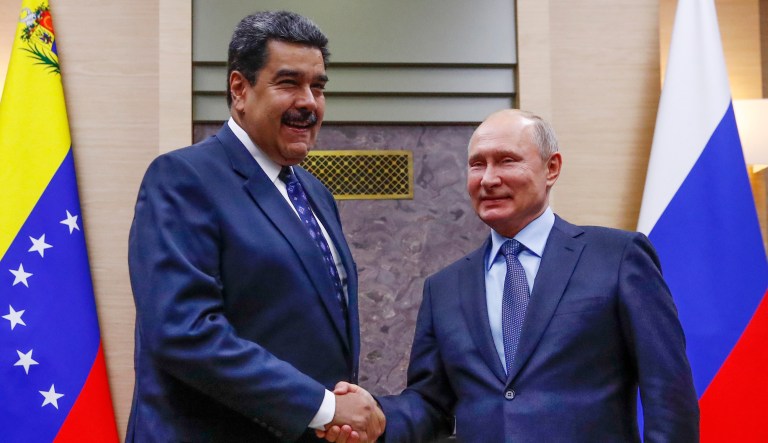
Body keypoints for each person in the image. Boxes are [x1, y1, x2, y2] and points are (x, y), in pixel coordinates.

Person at [326, 109, 700, 442]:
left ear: (551, 168)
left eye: (506, 161)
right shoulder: (444, 288)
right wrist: (377, 416)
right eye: (477, 164)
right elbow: (430, 403)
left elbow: (667, 391)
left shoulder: (617, 257)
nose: (488, 179)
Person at [127, 11, 384, 442]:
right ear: (240, 89)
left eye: (317, 87)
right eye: (289, 83)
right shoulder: (183, 178)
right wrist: (323, 407)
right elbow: (184, 332)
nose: (309, 102)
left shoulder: (315, 193)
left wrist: (337, 413)